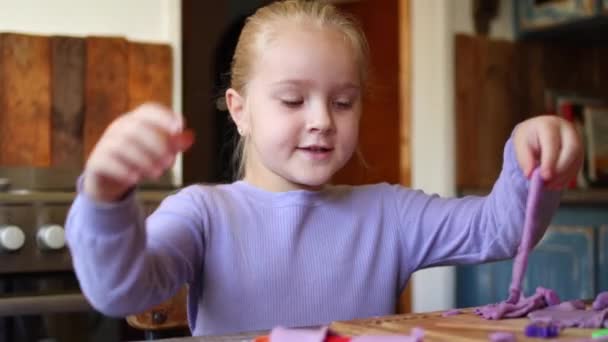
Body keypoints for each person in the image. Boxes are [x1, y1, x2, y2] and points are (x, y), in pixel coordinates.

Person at [65, 0, 583, 336]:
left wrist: (530, 159)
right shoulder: (202, 213)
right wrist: (106, 197)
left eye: (342, 102)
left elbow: (500, 231)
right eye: (292, 100)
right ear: (240, 110)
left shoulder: (388, 213)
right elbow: (122, 292)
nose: (321, 121)